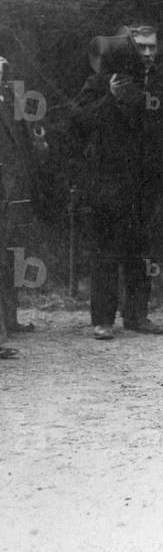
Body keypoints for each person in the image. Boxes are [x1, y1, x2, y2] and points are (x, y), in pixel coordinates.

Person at [68, 24, 163, 340]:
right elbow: (78, 122)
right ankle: (102, 320)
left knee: (141, 252)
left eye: (152, 46)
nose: (147, 53)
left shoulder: (162, 83)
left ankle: (137, 316)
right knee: (105, 253)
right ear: (126, 47)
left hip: (148, 183)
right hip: (108, 183)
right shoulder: (100, 79)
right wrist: (110, 98)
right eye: (140, 47)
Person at [1, 55, 47, 358]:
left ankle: (9, 320)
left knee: (9, 254)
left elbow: (26, 138)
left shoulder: (10, 98)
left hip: (11, 189)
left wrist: (39, 142)